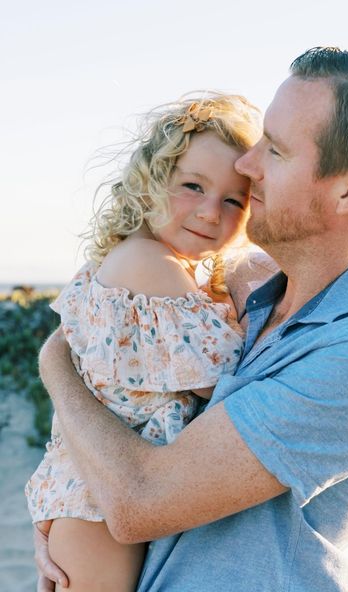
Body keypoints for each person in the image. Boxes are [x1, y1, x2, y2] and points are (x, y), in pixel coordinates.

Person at [34, 47, 348, 592]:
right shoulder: (245, 288)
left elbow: (138, 503)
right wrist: (69, 518)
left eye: (274, 150)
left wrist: (52, 364)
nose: (247, 167)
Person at [26, 92, 262, 591]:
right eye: (192, 186)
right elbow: (224, 376)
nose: (209, 211)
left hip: (112, 482)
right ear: (151, 181)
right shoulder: (148, 264)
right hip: (96, 498)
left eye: (234, 199)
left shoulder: (172, 265)